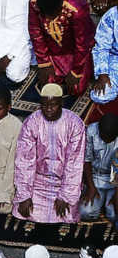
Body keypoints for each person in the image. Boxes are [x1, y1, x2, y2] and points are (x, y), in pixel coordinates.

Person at [14, 84, 86, 224]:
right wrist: (25, 195)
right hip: (38, 182)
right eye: (44, 105)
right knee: (22, 210)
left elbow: (75, 163)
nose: (48, 109)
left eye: (53, 105)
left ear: (61, 103)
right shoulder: (32, 122)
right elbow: (24, 161)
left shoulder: (75, 124)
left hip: (64, 182)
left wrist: (65, 196)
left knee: (68, 214)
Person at [30, 0, 95, 95]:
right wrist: (44, 62)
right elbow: (35, 32)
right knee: (47, 83)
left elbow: (82, 44)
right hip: (53, 50)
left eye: (53, 15)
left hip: (76, 51)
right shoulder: (34, 2)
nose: (49, 19)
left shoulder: (78, 9)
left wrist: (75, 72)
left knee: (76, 88)